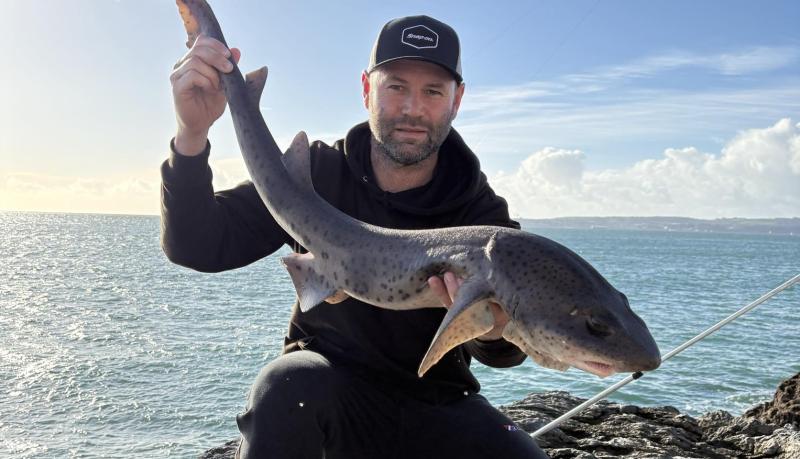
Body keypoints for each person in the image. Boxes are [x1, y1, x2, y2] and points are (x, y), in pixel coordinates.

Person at [163, 14, 549, 459]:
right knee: (283, 386)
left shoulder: (482, 217)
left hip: (438, 401)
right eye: (397, 87)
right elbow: (196, 244)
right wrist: (191, 137)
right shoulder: (318, 176)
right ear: (367, 89)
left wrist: (492, 326)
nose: (412, 108)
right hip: (328, 387)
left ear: (456, 100)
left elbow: (502, 355)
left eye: (433, 92)